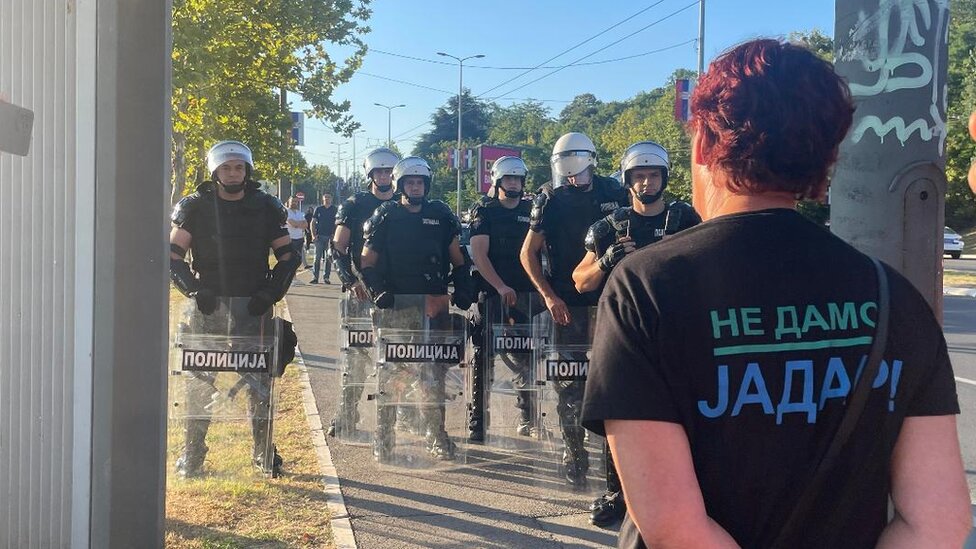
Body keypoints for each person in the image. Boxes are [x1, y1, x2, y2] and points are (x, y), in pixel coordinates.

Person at [581, 39, 970, 548]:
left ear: (703, 147)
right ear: (827, 157)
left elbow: (674, 526)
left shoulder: (646, 288)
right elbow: (938, 523)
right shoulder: (894, 295)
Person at [572, 140, 700, 526]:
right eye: (640, 176)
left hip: (676, 330)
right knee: (619, 415)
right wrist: (606, 260)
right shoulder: (609, 226)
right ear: (628, 180)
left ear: (664, 177)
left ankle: (683, 487)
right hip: (623, 333)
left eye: (653, 175)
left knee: (682, 412)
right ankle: (618, 491)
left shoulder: (685, 219)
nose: (647, 182)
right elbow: (580, 280)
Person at [169, 140, 299, 477]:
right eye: (226, 167)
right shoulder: (195, 207)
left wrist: (270, 293)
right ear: (215, 171)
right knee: (200, 382)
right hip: (207, 308)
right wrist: (194, 290)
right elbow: (173, 256)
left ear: (247, 171)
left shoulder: (266, 207)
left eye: (238, 167)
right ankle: (192, 455)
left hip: (254, 308)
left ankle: (263, 452)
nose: (232, 173)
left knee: (259, 384)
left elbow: (288, 256)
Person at [519, 131, 629, 487]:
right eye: (565, 169)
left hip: (609, 299)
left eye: (576, 168)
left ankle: (614, 457)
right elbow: (528, 253)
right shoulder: (549, 199)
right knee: (569, 382)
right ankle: (574, 452)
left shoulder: (614, 191)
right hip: (566, 303)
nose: (571, 176)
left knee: (613, 379)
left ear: (590, 162)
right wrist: (549, 295)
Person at [359, 156, 475, 462]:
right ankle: (384, 437)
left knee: (432, 376)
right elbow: (367, 262)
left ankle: (436, 436)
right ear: (400, 185)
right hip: (395, 308)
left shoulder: (441, 215)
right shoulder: (386, 215)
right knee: (392, 374)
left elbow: (459, 259)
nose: (415, 187)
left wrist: (463, 288)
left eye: (420, 182)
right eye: (410, 182)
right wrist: (378, 292)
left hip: (434, 307)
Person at [326, 147, 399, 437]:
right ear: (370, 174)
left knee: (399, 359)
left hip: (396, 292)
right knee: (355, 358)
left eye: (388, 171)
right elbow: (338, 247)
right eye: (379, 171)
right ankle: (346, 415)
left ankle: (401, 415)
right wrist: (350, 281)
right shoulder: (354, 204)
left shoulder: (404, 201)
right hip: (360, 292)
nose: (384, 176)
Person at [467, 156, 538, 442]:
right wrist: (500, 286)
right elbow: (479, 254)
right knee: (483, 357)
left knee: (527, 357)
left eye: (518, 179)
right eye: (509, 178)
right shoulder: (485, 210)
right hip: (491, 294)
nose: (514, 184)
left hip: (526, 295)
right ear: (498, 181)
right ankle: (478, 420)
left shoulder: (531, 210)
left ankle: (528, 417)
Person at [310, 193, 337, 284]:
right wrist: (313, 235)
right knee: (317, 258)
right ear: (323, 198)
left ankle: (326, 277)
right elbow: (313, 223)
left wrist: (335, 235)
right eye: (325, 197)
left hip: (330, 237)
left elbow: (338, 223)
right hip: (319, 237)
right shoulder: (318, 209)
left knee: (328, 259)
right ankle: (315, 277)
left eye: (329, 197)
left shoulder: (335, 209)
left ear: (331, 199)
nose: (327, 199)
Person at [285, 196, 310, 270]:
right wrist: (300, 223)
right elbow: (293, 224)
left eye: (295, 201)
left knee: (297, 259)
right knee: (291, 259)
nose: (294, 203)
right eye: (292, 201)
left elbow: (306, 225)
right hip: (290, 239)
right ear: (289, 202)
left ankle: (294, 273)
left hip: (300, 238)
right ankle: (290, 275)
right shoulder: (286, 212)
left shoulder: (299, 213)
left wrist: (297, 224)